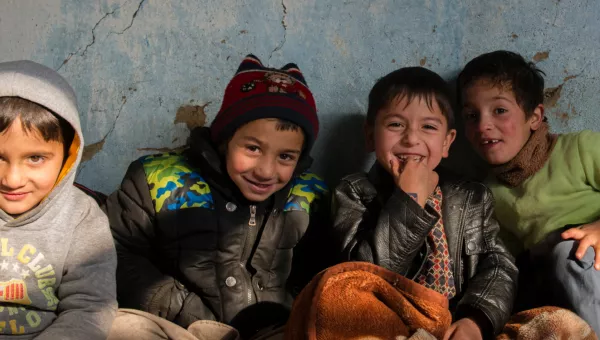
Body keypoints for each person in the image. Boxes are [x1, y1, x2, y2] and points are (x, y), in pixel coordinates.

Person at [104, 54, 328, 339]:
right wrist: (179, 306)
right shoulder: (157, 179)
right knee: (121, 328)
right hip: (182, 327)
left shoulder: (309, 194)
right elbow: (116, 251)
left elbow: (321, 271)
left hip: (276, 331)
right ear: (225, 140)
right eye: (253, 149)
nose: (266, 171)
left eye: (285, 156)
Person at [331, 66, 518, 339]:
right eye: (395, 125)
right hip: (387, 325)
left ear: (446, 142)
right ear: (371, 135)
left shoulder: (471, 197)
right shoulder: (353, 192)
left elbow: (499, 265)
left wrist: (475, 320)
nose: (411, 138)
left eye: (428, 127)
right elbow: (363, 278)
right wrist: (409, 200)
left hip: (454, 324)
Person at [458, 50, 600, 332]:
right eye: (471, 115)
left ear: (534, 117)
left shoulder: (580, 148)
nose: (483, 125)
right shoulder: (488, 193)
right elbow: (503, 263)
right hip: (555, 280)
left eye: (499, 110)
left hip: (592, 259)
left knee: (569, 254)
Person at [0, 60, 117, 339]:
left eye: (35, 158)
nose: (12, 179)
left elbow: (89, 309)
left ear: (68, 157)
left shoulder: (81, 217)